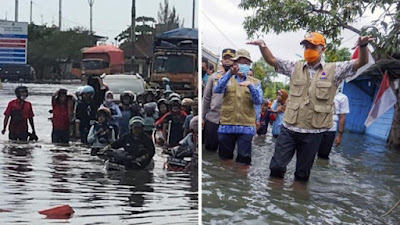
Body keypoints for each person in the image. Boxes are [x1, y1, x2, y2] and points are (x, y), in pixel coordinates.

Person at [248, 32, 375, 181]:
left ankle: (297, 201)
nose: (309, 49)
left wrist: (363, 46)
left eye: (313, 46)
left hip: (314, 131)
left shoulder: (335, 69)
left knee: (302, 174)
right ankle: (276, 197)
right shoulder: (294, 67)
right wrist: (263, 46)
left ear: (323, 49)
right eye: (306, 46)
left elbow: (361, 62)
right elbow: (272, 60)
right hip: (289, 128)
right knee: (276, 167)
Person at [214, 49, 263, 166]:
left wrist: (250, 86)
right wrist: (229, 73)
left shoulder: (255, 82)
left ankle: (240, 179)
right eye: (240, 62)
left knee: (244, 161)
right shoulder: (226, 78)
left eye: (246, 63)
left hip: (246, 126)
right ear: (234, 64)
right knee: (224, 160)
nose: (243, 65)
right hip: (227, 125)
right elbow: (217, 90)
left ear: (249, 65)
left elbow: (258, 101)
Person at [202, 48, 236, 152]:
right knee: (209, 149)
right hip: (213, 118)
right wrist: (203, 117)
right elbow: (206, 98)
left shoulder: (238, 78)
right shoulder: (214, 77)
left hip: (230, 120)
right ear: (221, 60)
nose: (227, 60)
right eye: (225, 58)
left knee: (226, 152)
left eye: (230, 58)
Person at [317, 89, 350, 159]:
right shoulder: (318, 93)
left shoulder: (342, 98)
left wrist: (339, 136)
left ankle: (322, 169)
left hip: (330, 129)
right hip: (315, 128)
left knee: (323, 156)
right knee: (308, 154)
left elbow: (342, 117)